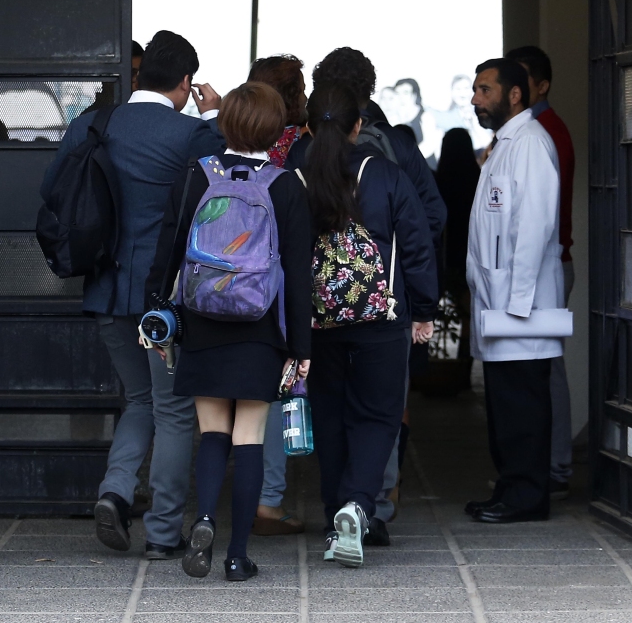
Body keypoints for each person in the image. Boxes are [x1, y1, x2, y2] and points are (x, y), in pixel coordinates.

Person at [41, 30, 225, 561]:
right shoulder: (192, 134)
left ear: (138, 74)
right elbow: (230, 189)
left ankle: (116, 491)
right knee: (172, 409)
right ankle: (164, 533)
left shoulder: (93, 124)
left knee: (139, 400)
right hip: (165, 301)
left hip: (105, 288)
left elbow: (53, 190)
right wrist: (213, 117)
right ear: (187, 83)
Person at [145, 82, 313, 581]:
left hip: (202, 321)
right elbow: (299, 277)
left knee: (212, 432)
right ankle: (238, 556)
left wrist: (155, 314)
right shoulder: (286, 186)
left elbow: (169, 248)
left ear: (226, 123)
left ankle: (201, 520)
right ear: (275, 130)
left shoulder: (197, 176)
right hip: (261, 329)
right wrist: (301, 349)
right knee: (250, 438)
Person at [302, 84, 437, 567]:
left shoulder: (295, 175)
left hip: (317, 322)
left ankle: (333, 512)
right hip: (382, 317)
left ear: (308, 125)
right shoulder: (384, 175)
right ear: (359, 125)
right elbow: (417, 246)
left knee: (331, 416)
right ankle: (359, 504)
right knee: (378, 415)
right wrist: (423, 310)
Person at [464, 58, 561, 524]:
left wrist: (517, 301)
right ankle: (511, 487)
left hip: (519, 304)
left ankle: (526, 496)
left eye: (484, 90)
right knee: (504, 404)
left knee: (522, 404)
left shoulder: (531, 144)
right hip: (498, 302)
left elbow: (536, 226)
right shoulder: (504, 145)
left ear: (515, 94)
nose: (475, 100)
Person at [506, 45, 576, 501]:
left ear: (541, 85)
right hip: (536, 266)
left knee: (545, 372)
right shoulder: (526, 132)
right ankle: (542, 467)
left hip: (545, 266)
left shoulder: (542, 133)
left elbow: (537, 218)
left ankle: (554, 468)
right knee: (537, 372)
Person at [244, 54, 309, 537]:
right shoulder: (298, 151)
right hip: (280, 284)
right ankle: (268, 498)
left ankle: (227, 502)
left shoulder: (224, 149)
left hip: (233, 284)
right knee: (274, 394)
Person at [436, 128, 482, 361]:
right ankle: (464, 363)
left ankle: (435, 364)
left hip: (444, 253)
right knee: (467, 312)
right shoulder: (478, 178)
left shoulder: (438, 181)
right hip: (470, 252)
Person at [248, 54, 309, 171]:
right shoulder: (307, 142)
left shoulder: (235, 136)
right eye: (302, 91)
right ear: (289, 97)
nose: (305, 98)